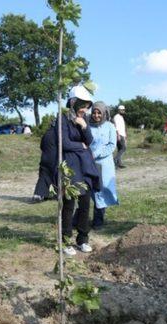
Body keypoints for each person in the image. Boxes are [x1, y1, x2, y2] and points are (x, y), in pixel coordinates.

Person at [57, 85, 100, 256]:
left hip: (85, 168)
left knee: (84, 205)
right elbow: (64, 143)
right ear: (73, 103)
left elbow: (89, 141)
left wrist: (84, 126)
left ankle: (82, 239)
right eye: (82, 106)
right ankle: (66, 241)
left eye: (87, 106)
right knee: (68, 206)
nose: (85, 110)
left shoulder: (85, 120)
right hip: (70, 169)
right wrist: (80, 145)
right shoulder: (62, 120)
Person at [87, 102, 118, 228]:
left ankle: (98, 220)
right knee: (88, 190)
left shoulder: (110, 126)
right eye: (94, 112)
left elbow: (112, 145)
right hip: (89, 162)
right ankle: (78, 218)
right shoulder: (88, 126)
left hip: (104, 165)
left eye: (99, 112)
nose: (96, 115)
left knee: (101, 191)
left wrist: (97, 154)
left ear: (104, 113)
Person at [31, 125, 56, 203]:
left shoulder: (46, 134)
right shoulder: (58, 134)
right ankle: (54, 194)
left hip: (45, 157)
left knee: (43, 176)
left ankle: (40, 194)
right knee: (54, 176)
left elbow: (41, 146)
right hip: (54, 158)